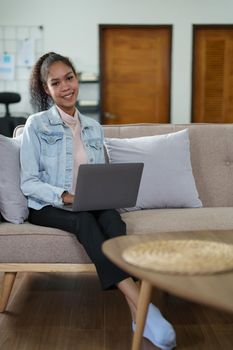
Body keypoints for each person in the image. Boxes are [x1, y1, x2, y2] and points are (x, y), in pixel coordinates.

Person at [20, 52, 176, 350]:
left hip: (87, 200)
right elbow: (29, 183)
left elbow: (98, 174)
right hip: (48, 206)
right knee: (84, 220)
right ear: (46, 89)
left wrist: (103, 194)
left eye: (70, 78)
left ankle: (136, 316)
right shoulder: (36, 125)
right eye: (56, 82)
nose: (66, 87)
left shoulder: (92, 126)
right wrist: (65, 195)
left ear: (76, 79)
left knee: (113, 218)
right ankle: (141, 305)